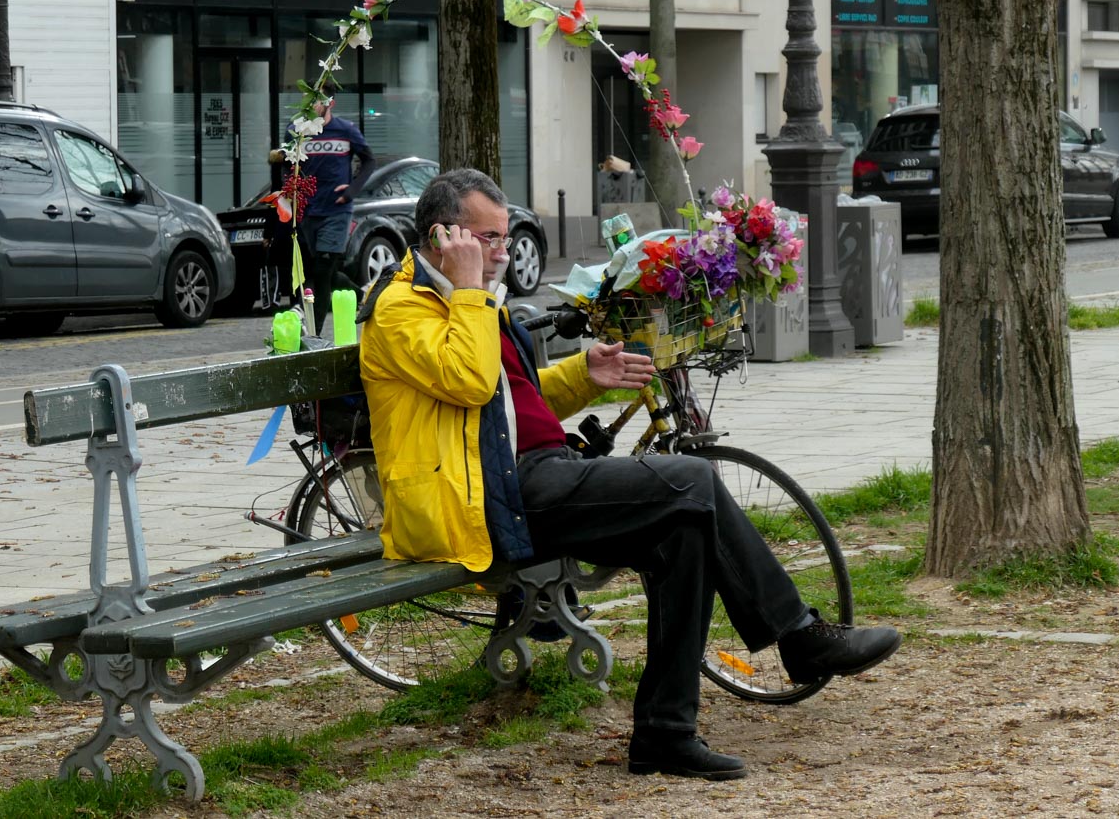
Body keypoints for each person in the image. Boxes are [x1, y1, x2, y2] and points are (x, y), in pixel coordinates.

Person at [358, 168, 903, 781]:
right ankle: (798, 636)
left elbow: (505, 408)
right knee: (692, 480)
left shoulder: (468, 301)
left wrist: (583, 375)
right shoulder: (402, 308)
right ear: (443, 237)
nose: (503, 252)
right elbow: (469, 381)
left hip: (531, 475)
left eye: (505, 238)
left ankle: (666, 734)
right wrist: (470, 292)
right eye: (489, 239)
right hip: (481, 500)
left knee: (683, 532)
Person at [275, 83, 375, 331]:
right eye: (308, 100)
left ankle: (315, 334)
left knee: (322, 271)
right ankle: (362, 296)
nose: (311, 105)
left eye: (317, 101)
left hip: (336, 211)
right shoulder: (296, 131)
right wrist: (290, 190)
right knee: (317, 271)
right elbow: (287, 164)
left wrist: (351, 191)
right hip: (307, 211)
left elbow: (369, 161)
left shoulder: (345, 131)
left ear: (331, 103)